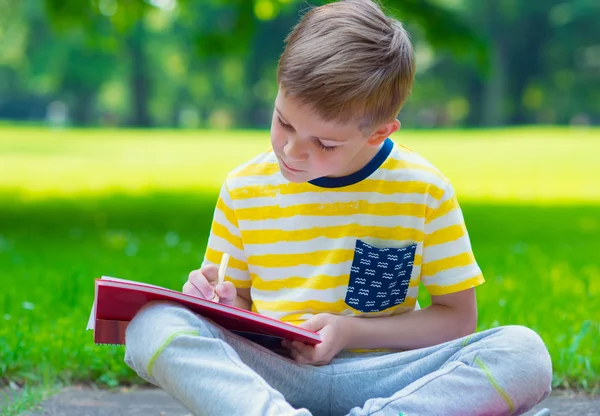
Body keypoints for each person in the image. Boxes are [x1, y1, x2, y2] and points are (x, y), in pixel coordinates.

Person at [123, 1, 553, 414]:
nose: (292, 150)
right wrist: (215, 300)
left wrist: (350, 332)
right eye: (283, 122)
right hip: (275, 376)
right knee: (152, 324)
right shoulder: (243, 188)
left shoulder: (424, 190)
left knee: (523, 353)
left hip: (385, 375)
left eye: (325, 143)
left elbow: (457, 319)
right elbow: (238, 307)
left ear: (379, 133)